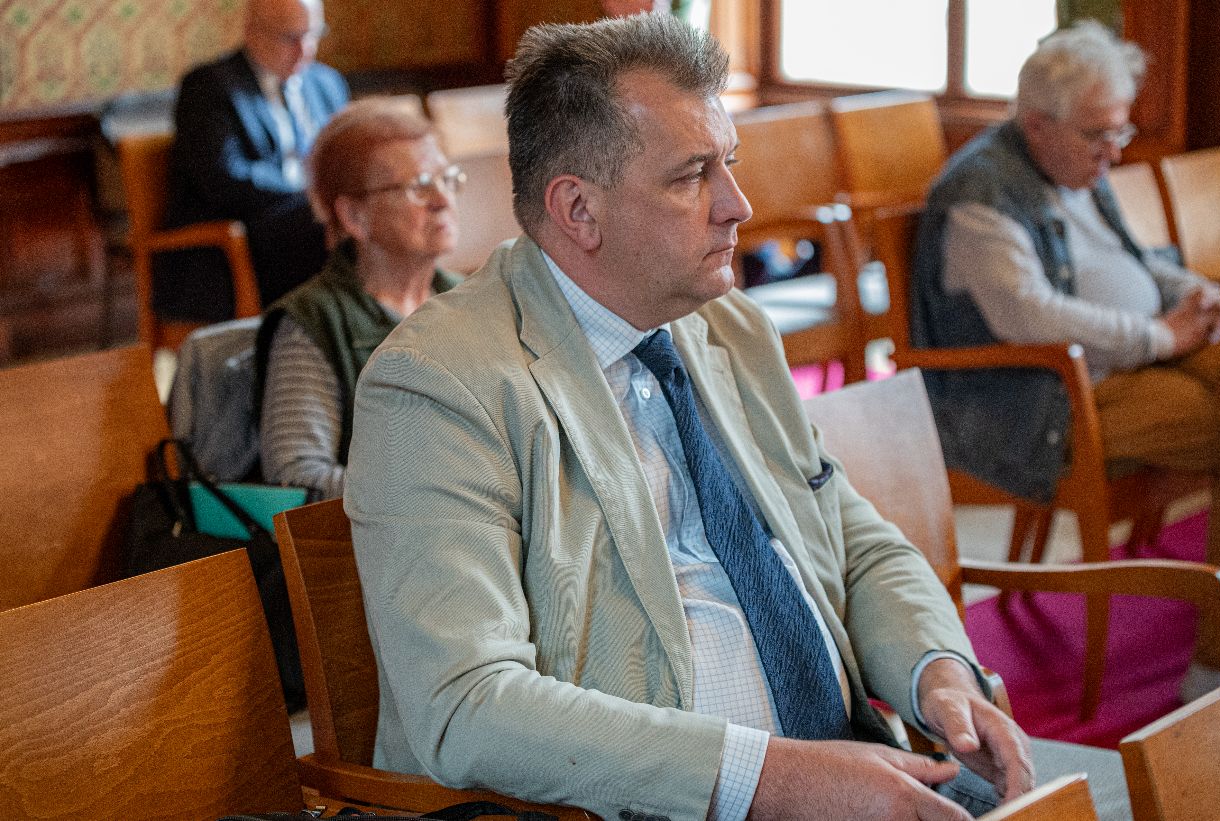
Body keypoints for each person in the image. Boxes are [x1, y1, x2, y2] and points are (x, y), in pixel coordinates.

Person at [346, 14, 1033, 821]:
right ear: (579, 209)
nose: (738, 205)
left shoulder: (727, 326)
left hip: (840, 762)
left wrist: (936, 671)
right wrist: (776, 779)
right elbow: (468, 703)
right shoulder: (440, 382)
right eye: (691, 176)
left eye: (727, 163)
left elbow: (846, 537)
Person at [914, 24, 1220, 571]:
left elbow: (1131, 258)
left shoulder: (1078, 163)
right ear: (1037, 125)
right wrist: (1158, 337)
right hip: (1046, 401)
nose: (1114, 150)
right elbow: (1031, 317)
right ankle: (1218, 622)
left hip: (1127, 359)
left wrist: (1192, 291)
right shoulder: (980, 194)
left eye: (1121, 130)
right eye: (1098, 134)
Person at [254, 98, 463, 499]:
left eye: (447, 179)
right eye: (419, 186)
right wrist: (436, 495)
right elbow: (297, 478)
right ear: (353, 217)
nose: (442, 200)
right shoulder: (313, 321)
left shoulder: (470, 299)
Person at [158, 0, 349, 323]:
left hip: (306, 225)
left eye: (312, 35)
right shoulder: (209, 87)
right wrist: (310, 193)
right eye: (290, 37)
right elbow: (224, 178)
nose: (304, 50)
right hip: (241, 239)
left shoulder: (326, 84)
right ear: (252, 32)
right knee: (332, 218)